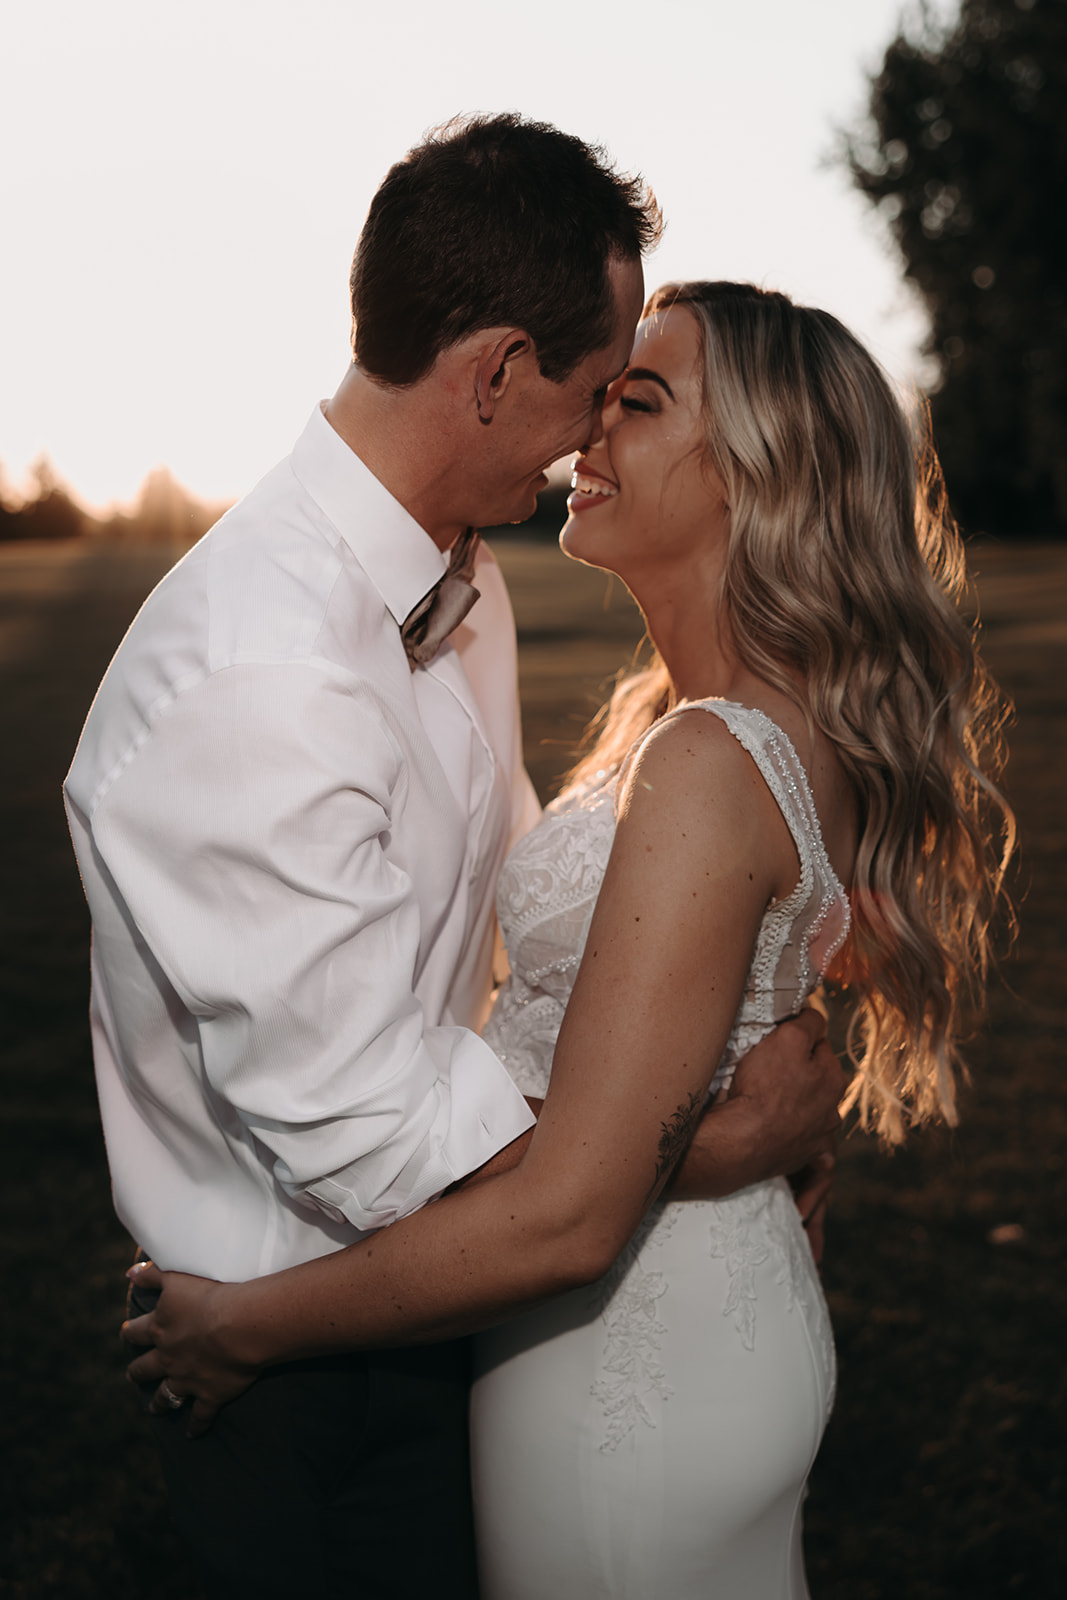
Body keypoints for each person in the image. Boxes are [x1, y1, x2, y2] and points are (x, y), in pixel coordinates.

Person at [124, 281, 1014, 1596]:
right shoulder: (713, 721)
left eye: (637, 403)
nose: (584, 436)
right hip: (694, 1312)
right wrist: (747, 1132)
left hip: (626, 1362)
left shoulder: (712, 757)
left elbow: (572, 1212)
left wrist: (248, 1330)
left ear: (765, 472)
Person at [66, 113, 844, 1600]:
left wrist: (736, 971)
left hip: (474, 1312)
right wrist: (713, 1135)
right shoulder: (259, 673)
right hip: (299, 1368)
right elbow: (382, 1145)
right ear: (495, 371)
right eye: (595, 387)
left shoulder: (456, 584)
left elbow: (528, 912)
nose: (593, 435)